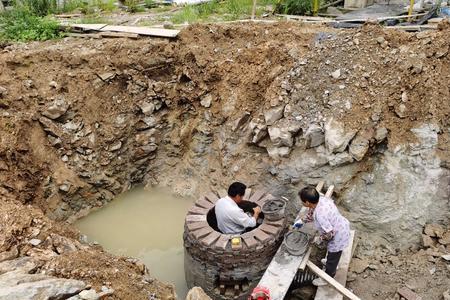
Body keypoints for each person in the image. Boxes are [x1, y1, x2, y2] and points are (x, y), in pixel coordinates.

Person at [296, 186, 350, 287]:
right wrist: (302, 220)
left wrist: (319, 240)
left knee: (334, 256)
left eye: (302, 201)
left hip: (338, 235)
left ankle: (328, 276)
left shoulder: (320, 215)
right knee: (333, 255)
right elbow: (312, 211)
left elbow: (329, 234)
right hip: (340, 224)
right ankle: (331, 262)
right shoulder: (321, 199)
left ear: (307, 202)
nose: (301, 202)